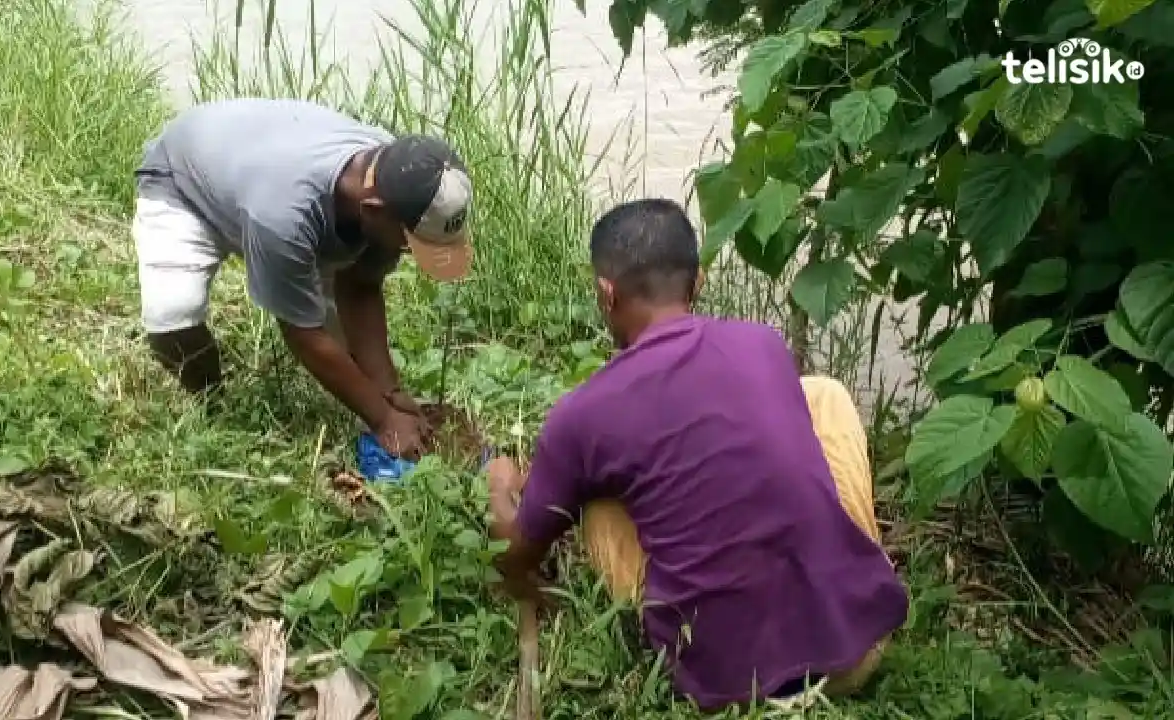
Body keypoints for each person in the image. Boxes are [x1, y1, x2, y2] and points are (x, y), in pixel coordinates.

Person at [486, 198, 909, 712]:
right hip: (859, 648)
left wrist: (500, 482)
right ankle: (854, 561)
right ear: (699, 280)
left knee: (596, 504)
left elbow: (516, 559)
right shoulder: (763, 343)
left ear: (607, 293)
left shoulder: (582, 413)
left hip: (727, 685)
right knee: (824, 395)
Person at [131, 98, 475, 460]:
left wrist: (390, 392)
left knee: (346, 350)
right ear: (374, 211)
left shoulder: (398, 178)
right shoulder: (284, 218)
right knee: (172, 317)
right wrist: (385, 420)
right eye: (410, 244)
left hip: (257, 173)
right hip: (184, 182)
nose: (407, 253)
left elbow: (361, 285)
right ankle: (213, 403)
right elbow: (304, 335)